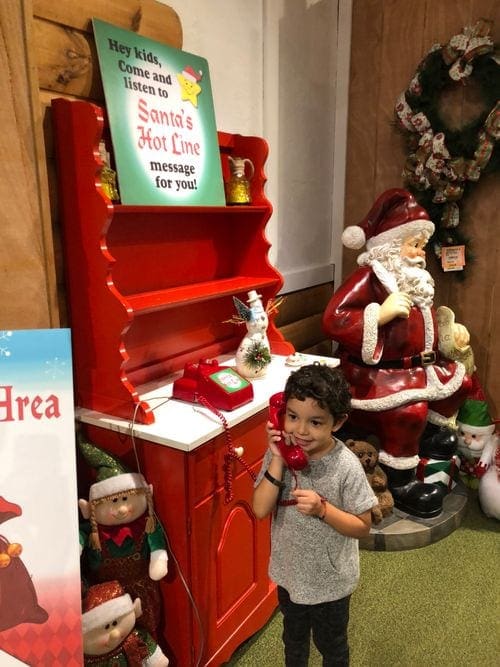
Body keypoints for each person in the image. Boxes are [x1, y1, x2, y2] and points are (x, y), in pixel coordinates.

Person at [322, 188, 474, 518]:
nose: (420, 253)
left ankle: (429, 437)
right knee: (410, 412)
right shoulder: (369, 278)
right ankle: (401, 480)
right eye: (413, 244)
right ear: (390, 245)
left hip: (417, 368)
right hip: (379, 374)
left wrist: (449, 333)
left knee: (461, 385)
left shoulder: (413, 279)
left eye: (421, 245)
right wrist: (381, 313)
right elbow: (334, 320)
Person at [253, 364, 377, 667]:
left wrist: (324, 510)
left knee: (331, 646)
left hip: (331, 584)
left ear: (337, 423)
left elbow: (363, 526)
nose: (301, 430)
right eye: (292, 417)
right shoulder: (279, 453)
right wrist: (279, 459)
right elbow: (259, 508)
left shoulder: (345, 466)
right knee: (293, 641)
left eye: (316, 422)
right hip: (289, 574)